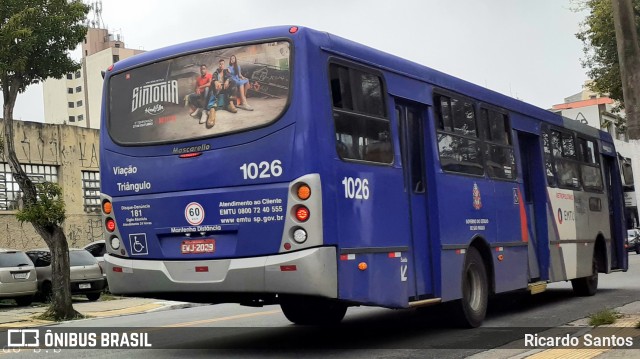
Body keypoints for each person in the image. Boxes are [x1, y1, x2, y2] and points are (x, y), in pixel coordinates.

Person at [203, 59, 238, 128]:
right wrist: (216, 82)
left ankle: (230, 103)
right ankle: (212, 111)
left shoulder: (226, 71)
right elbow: (213, 79)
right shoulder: (215, 72)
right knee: (213, 84)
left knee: (233, 81)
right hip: (217, 89)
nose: (221, 65)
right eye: (220, 64)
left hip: (225, 88)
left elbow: (230, 77)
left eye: (222, 64)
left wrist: (227, 80)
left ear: (224, 65)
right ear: (218, 65)